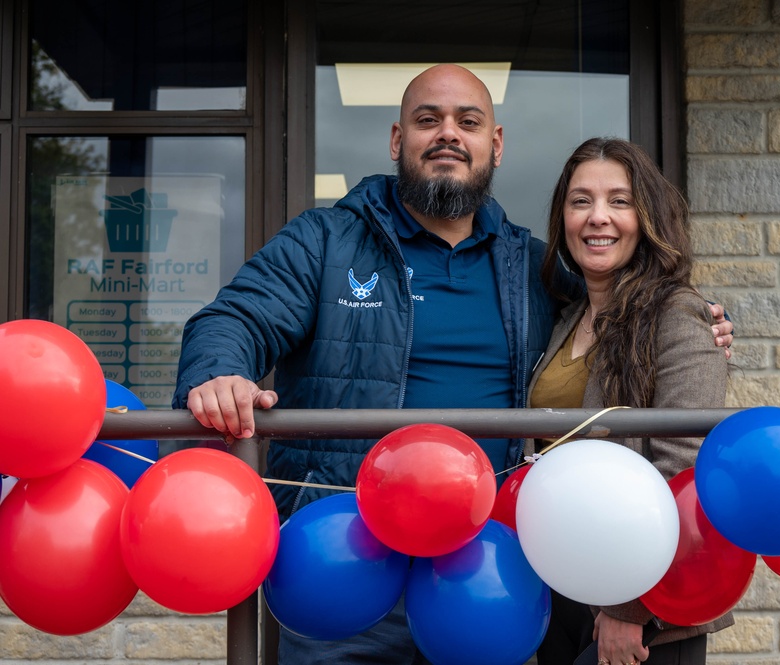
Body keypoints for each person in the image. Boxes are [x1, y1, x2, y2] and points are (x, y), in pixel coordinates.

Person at [172, 64, 733, 664]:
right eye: (427, 120)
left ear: (494, 145)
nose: (448, 134)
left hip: (488, 569)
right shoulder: (325, 241)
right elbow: (232, 319)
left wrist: (700, 324)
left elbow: (624, 292)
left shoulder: (534, 267)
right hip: (347, 560)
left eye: (468, 121)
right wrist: (218, 370)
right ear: (396, 140)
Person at [527, 137, 731, 665]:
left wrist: (631, 605)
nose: (598, 218)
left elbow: (682, 469)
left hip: (641, 599)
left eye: (619, 201)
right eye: (580, 201)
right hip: (564, 579)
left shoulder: (678, 313)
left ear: (647, 217)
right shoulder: (567, 318)